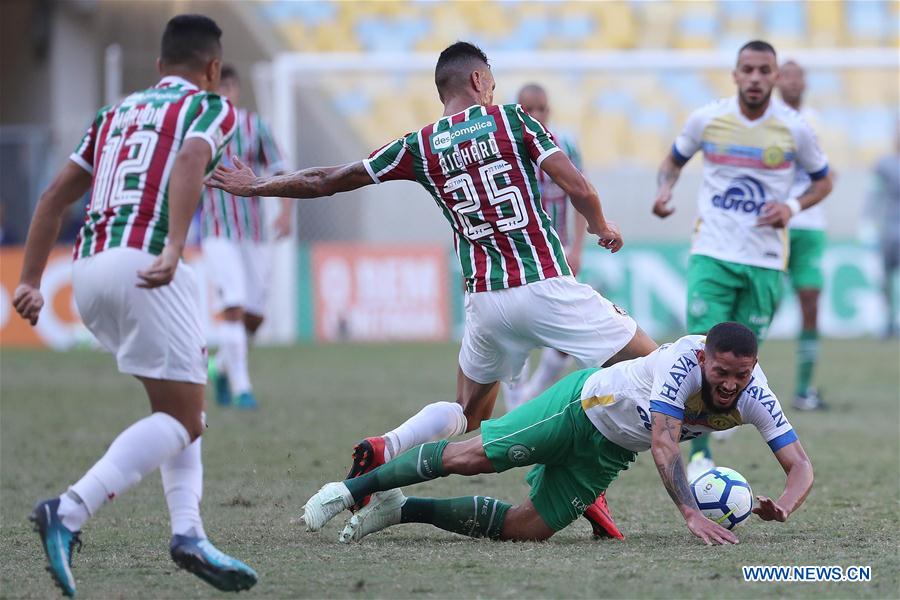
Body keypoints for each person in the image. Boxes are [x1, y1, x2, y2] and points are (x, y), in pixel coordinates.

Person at [209, 41, 658, 539]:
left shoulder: (418, 144)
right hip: (544, 285)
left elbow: (328, 179)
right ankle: (584, 479)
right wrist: (599, 226)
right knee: (657, 366)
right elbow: (578, 187)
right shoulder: (512, 120)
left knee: (466, 415)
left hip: (486, 303)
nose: (494, 88)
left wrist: (257, 186)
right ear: (476, 81)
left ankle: (389, 446)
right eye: (491, 78)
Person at [12, 15, 257, 596]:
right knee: (182, 418)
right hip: (148, 264)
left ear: (157, 67)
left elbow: (52, 197)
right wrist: (174, 246)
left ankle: (189, 533)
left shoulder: (112, 114)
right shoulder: (210, 107)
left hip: (89, 269)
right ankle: (69, 511)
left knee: (182, 405)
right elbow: (190, 164)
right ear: (213, 69)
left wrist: (29, 280)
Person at [299, 322, 814, 547]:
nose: (729, 385)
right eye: (721, 372)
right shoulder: (682, 361)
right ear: (705, 358)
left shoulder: (754, 393)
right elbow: (663, 441)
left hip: (611, 450)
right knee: (471, 456)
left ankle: (401, 509)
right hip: (579, 407)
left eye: (740, 376)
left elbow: (801, 466)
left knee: (529, 529)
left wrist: (786, 505)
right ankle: (347, 491)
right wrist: (688, 512)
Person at [652, 40, 832, 479]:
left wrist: (791, 207)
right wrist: (664, 189)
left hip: (766, 262)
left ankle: (709, 434)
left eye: (763, 70)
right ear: (735, 75)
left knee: (738, 365)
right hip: (712, 254)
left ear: (775, 76)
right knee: (702, 350)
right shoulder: (708, 119)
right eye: (747, 69)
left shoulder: (795, 129)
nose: (754, 78)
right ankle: (698, 454)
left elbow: (824, 182)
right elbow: (672, 162)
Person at [201, 64, 293, 410]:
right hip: (216, 230)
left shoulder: (255, 126)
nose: (224, 93)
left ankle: (222, 366)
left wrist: (285, 211)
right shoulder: (199, 129)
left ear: (236, 89)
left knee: (255, 316)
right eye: (217, 87)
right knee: (234, 306)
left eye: (229, 86)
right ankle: (242, 388)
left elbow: (280, 169)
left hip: (253, 231)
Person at [501, 83, 587, 413]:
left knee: (569, 328)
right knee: (517, 334)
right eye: (529, 110)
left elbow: (580, 194)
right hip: (521, 253)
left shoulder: (564, 144)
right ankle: (515, 407)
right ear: (517, 112)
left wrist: (577, 249)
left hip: (558, 250)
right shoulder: (506, 147)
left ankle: (530, 395)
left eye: (542, 109)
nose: (537, 115)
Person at [777, 60, 829, 410]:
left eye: (800, 75)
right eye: (788, 75)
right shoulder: (769, 118)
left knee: (810, 302)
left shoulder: (813, 119)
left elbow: (820, 171)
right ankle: (729, 389)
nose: (794, 82)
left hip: (809, 224)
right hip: (775, 225)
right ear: (777, 81)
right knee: (760, 307)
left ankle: (803, 389)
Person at [862, 129, 900, 338]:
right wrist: (867, 222)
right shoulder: (884, 164)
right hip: (889, 229)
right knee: (884, 279)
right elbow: (873, 194)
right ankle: (888, 320)